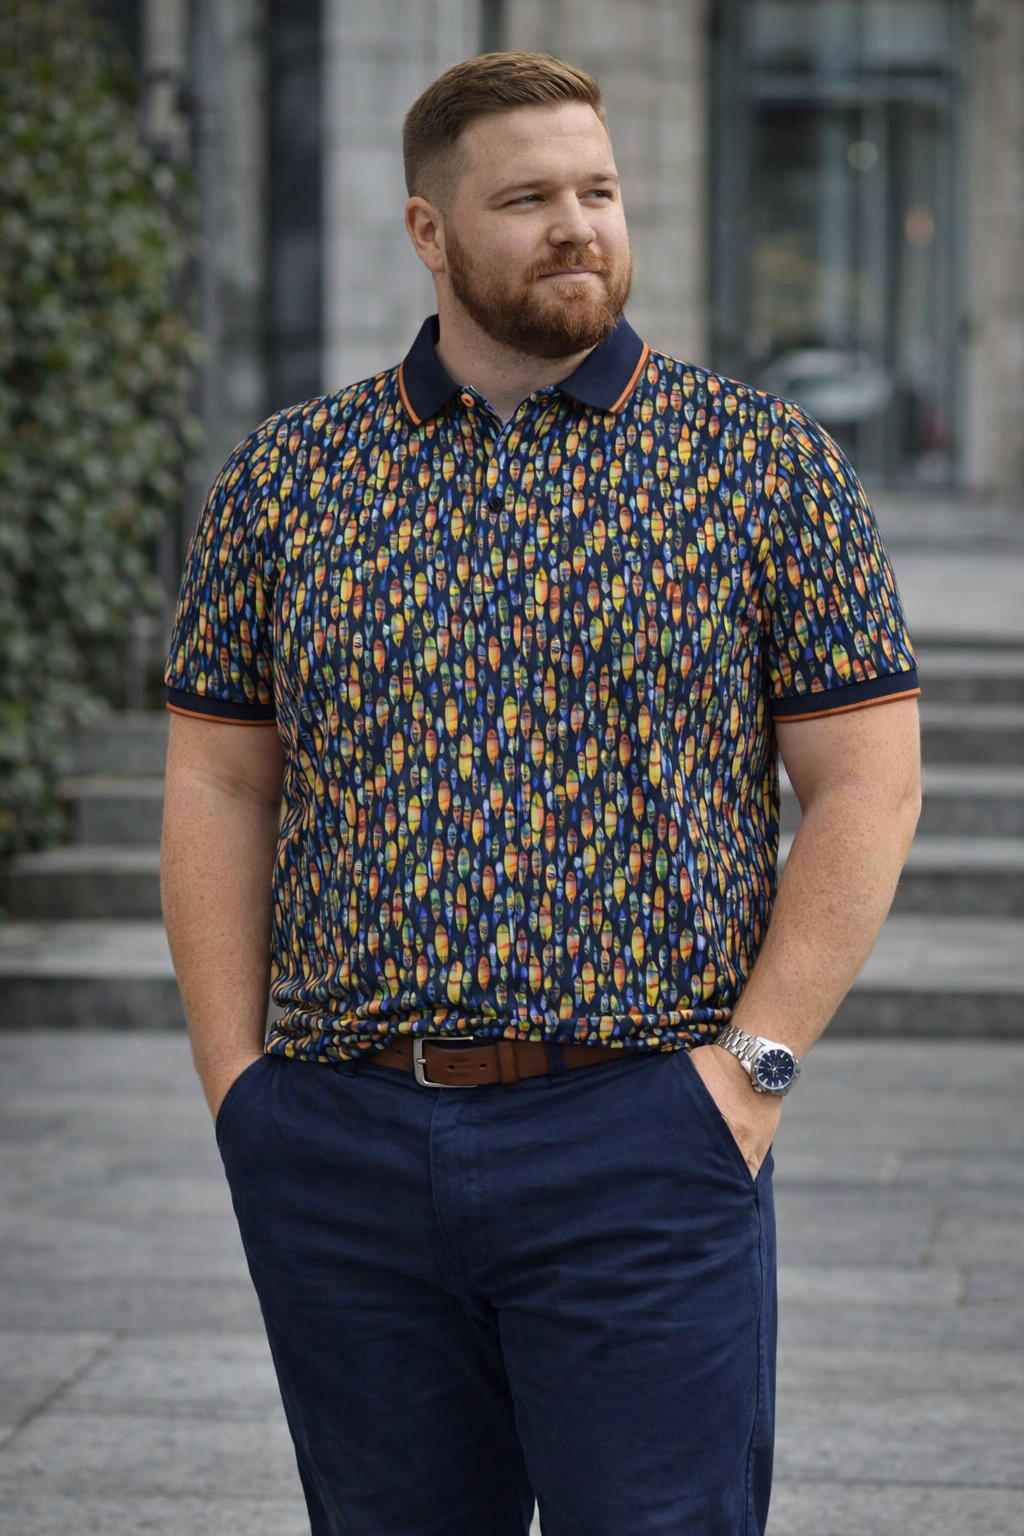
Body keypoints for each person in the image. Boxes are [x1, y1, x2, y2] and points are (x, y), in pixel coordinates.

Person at [160, 49, 922, 1536]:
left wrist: (747, 1079)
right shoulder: (287, 482)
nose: (578, 225)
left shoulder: (764, 466)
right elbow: (219, 782)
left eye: (599, 191)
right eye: (527, 200)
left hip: (644, 1135)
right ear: (428, 232)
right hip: (345, 1142)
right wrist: (240, 1092)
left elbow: (867, 789)